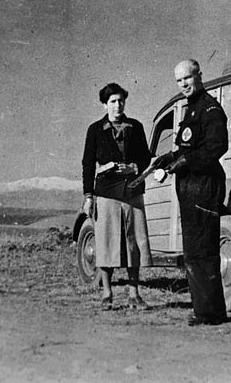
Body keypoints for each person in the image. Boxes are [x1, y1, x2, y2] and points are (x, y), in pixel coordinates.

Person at [153, 59, 228, 326]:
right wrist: (169, 157)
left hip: (204, 188)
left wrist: (184, 162)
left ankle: (210, 313)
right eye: (179, 80)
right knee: (193, 251)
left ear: (199, 76)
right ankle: (203, 310)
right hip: (190, 189)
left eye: (187, 78)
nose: (183, 84)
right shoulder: (191, 110)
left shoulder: (210, 109)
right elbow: (189, 147)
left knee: (204, 251)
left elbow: (217, 147)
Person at [81, 82, 153, 310]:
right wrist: (88, 196)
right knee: (106, 243)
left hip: (132, 190)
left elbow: (146, 158)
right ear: (104, 104)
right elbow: (87, 164)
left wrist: (135, 167)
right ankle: (107, 294)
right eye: (112, 101)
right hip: (106, 193)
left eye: (121, 100)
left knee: (134, 243)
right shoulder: (94, 130)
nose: (117, 105)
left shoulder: (136, 127)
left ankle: (134, 294)